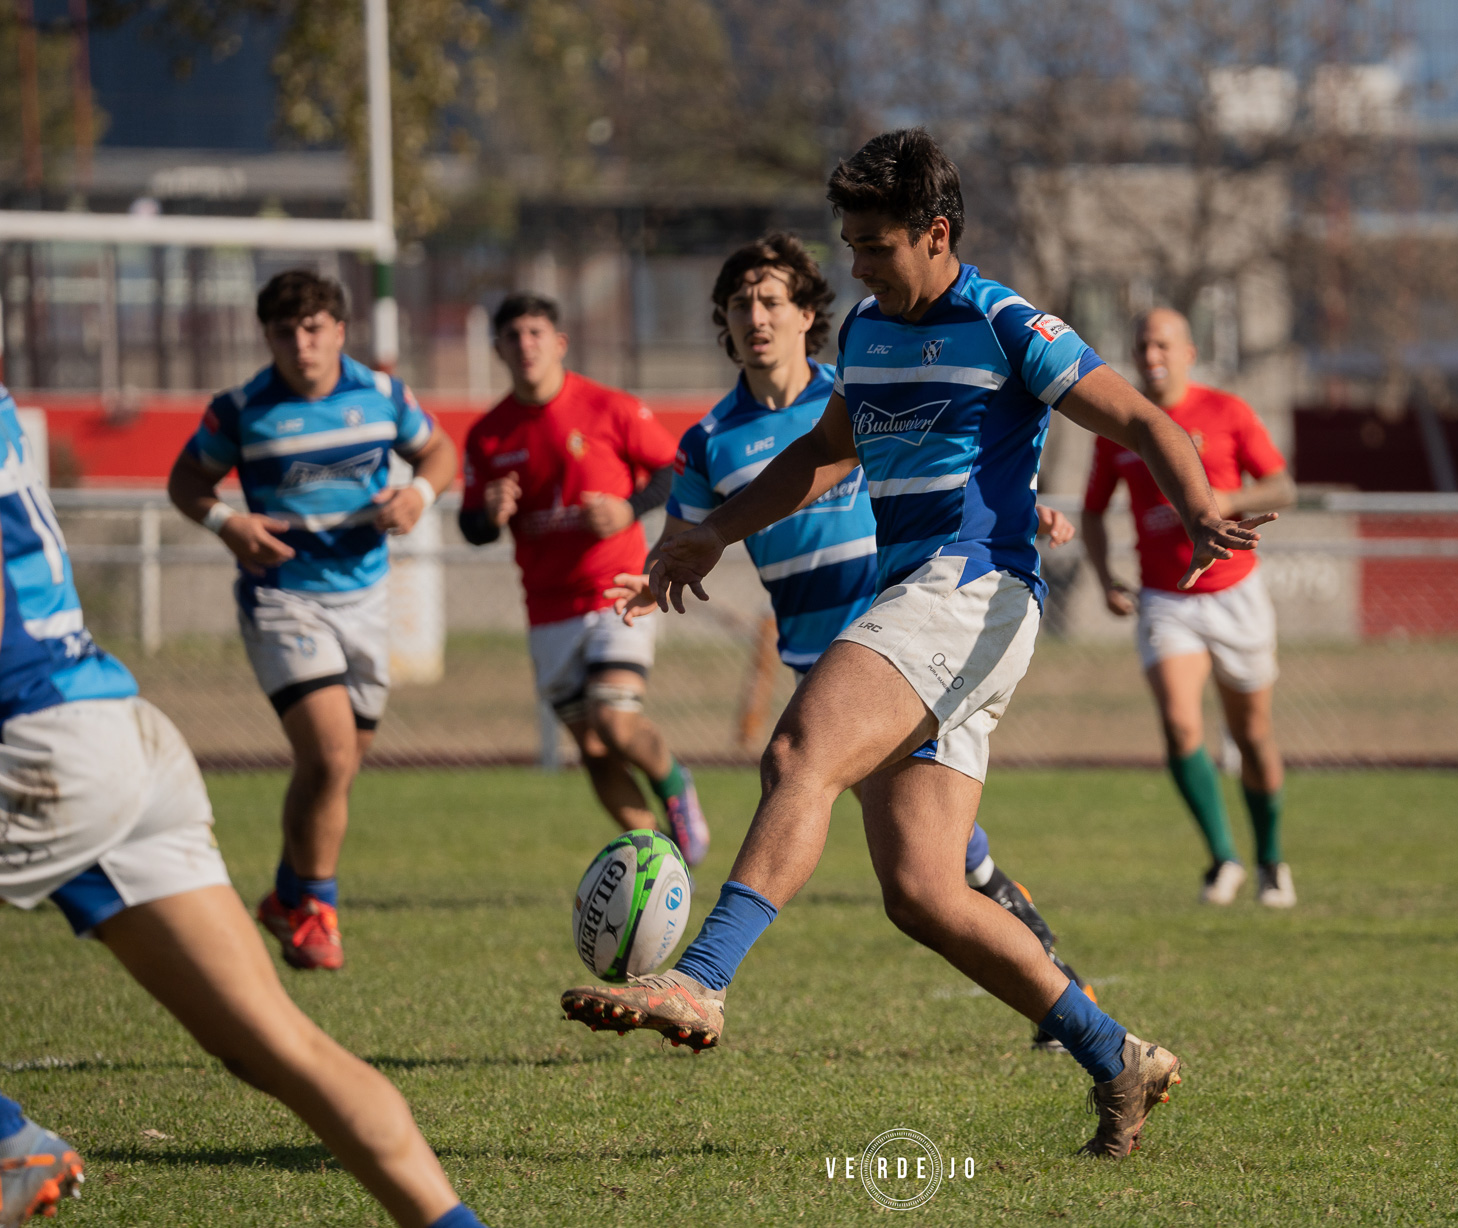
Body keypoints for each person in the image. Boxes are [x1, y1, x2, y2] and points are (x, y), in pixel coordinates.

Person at [563, 129, 1271, 1158]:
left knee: (801, 751)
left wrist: (1200, 509)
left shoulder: (1004, 321)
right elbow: (818, 451)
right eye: (847, 242)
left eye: (874, 244)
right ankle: (1117, 1053)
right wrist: (712, 528)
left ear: (936, 234)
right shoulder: (866, 328)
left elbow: (1142, 422)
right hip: (922, 602)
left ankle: (702, 977)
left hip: (975, 590)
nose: (854, 263)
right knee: (924, 890)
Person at [0, 389, 488, 1228]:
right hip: (110, 726)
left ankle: (8, 1142)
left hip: (27, 742)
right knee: (283, 1050)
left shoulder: (376, 395)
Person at [606, 232, 1098, 1052]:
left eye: (772, 301)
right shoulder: (707, 443)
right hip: (814, 656)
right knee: (936, 866)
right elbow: (686, 535)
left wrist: (1024, 510)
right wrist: (660, 571)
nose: (755, 317)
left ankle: (705, 977)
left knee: (903, 846)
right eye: (740, 305)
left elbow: (954, 462)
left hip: (898, 641)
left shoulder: (861, 385)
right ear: (725, 326)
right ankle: (1069, 998)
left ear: (808, 315)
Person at [167, 269, 458, 971]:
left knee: (337, 769)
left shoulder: (383, 395)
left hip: (365, 600)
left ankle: (286, 891)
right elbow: (186, 482)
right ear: (265, 336)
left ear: (340, 330)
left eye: (313, 327)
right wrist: (226, 523)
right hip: (283, 598)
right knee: (327, 756)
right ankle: (316, 911)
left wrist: (419, 494)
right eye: (284, 331)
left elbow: (441, 452)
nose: (301, 343)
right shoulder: (240, 409)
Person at [458, 294, 708, 864]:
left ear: (559, 342)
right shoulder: (489, 435)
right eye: (513, 335)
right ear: (497, 348)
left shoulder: (607, 407)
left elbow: (677, 471)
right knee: (593, 750)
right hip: (548, 608)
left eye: (535, 332)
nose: (525, 344)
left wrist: (627, 508)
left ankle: (674, 785)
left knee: (614, 721)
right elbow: (472, 526)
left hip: (616, 589)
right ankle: (656, 861)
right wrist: (485, 514)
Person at [1081, 308, 1298, 907]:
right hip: (1165, 597)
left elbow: (1282, 486)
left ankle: (1271, 860)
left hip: (1236, 594)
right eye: (1141, 345)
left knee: (1251, 735)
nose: (1150, 355)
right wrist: (1103, 577)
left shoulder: (1227, 411)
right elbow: (1093, 510)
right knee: (1180, 725)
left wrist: (1227, 497)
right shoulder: (1120, 425)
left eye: (1162, 344)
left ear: (1188, 352)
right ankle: (1222, 859)